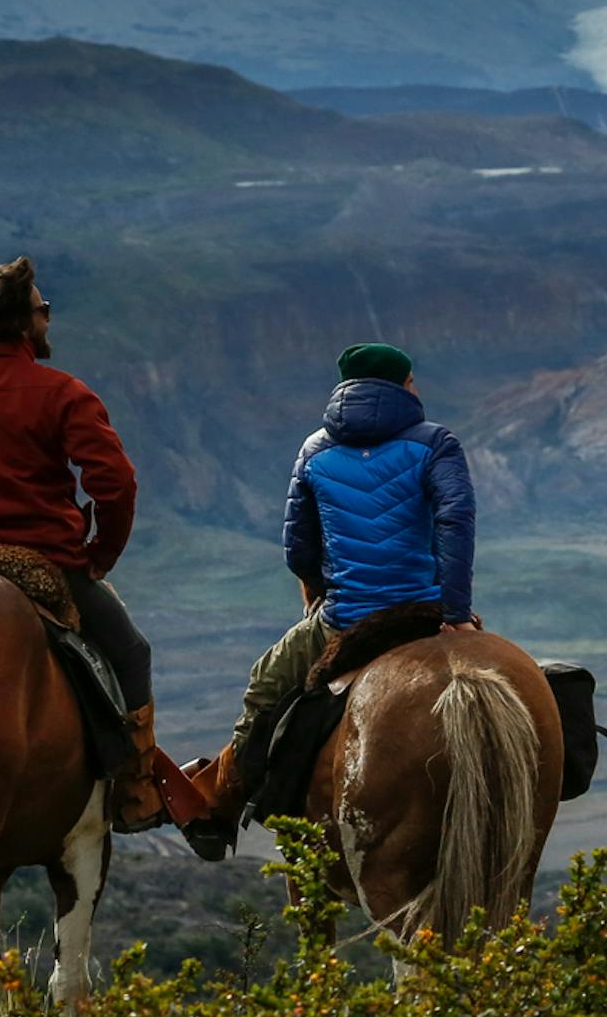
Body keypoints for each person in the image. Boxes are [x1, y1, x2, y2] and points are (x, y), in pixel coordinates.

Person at [180, 342, 477, 859]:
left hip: (348, 619)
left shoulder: (314, 451)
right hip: (427, 614)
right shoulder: (437, 444)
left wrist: (318, 593)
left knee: (266, 684)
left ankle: (224, 805)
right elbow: (454, 520)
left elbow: (299, 545)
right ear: (405, 386)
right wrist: (454, 614)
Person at [0, 255, 167, 830]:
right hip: (43, 561)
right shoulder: (62, 393)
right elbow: (116, 483)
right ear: (23, 323)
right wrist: (99, 555)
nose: (47, 319)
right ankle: (135, 791)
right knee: (131, 652)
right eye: (42, 310)